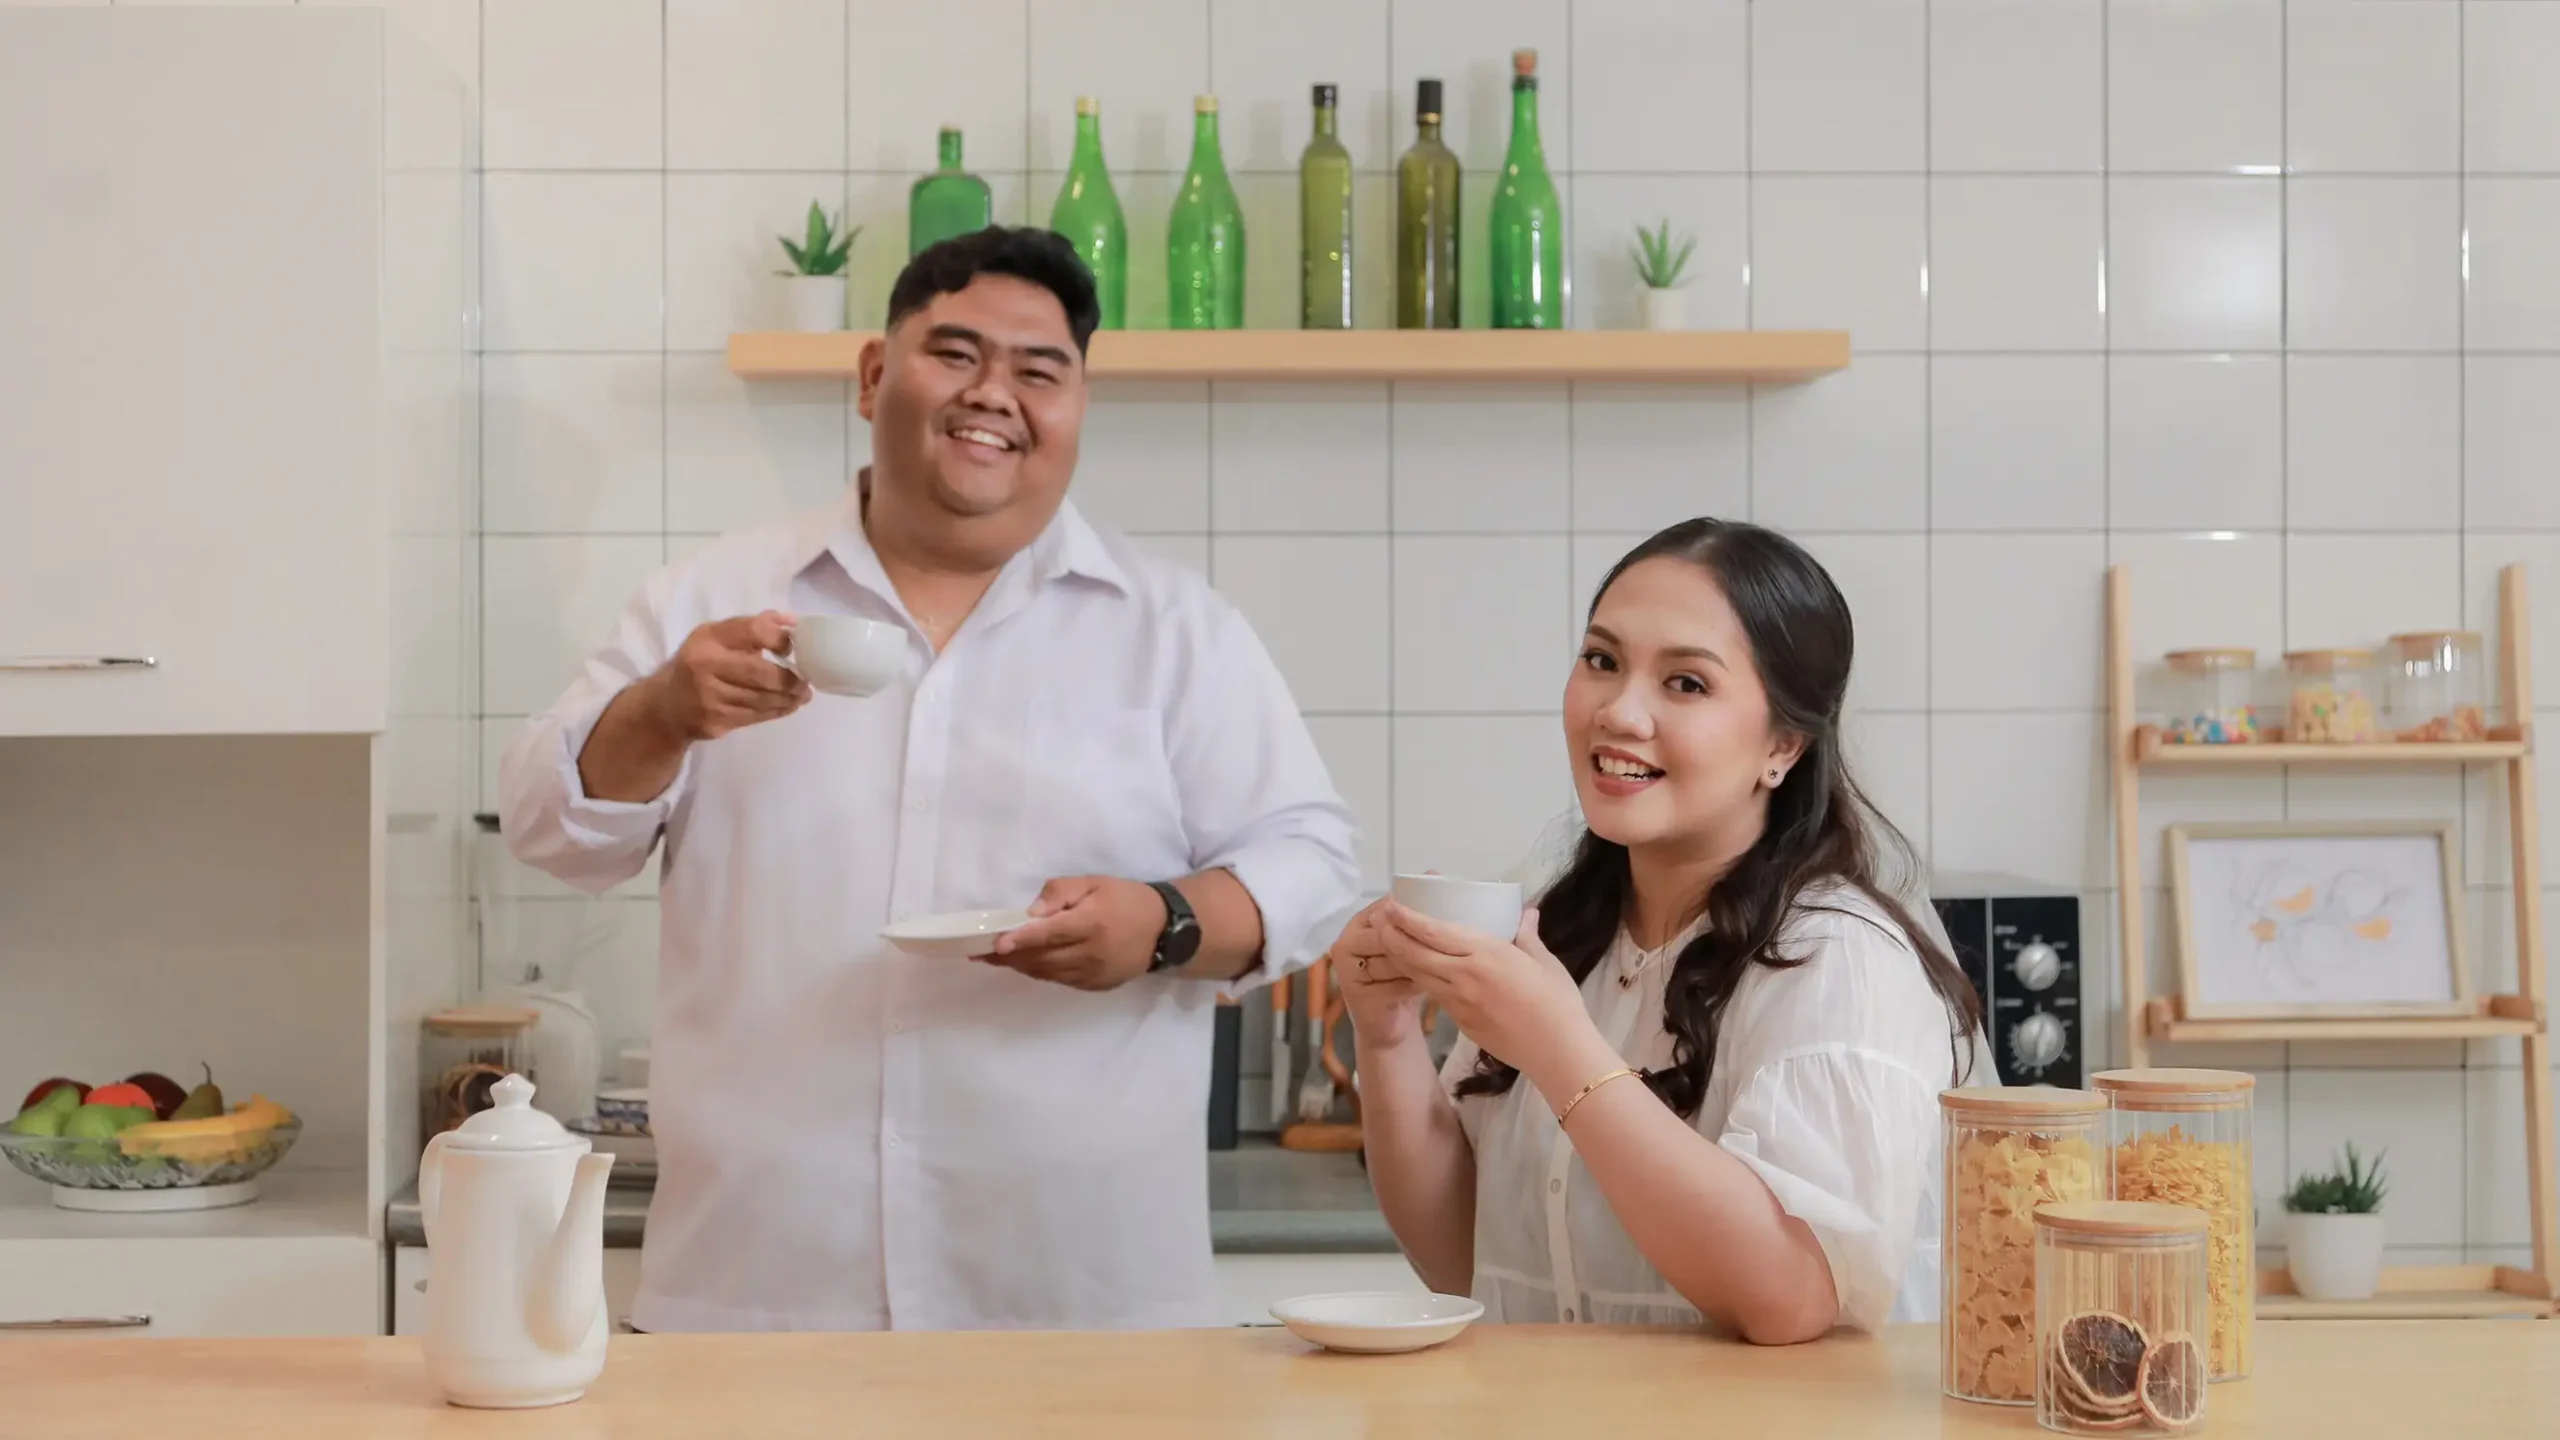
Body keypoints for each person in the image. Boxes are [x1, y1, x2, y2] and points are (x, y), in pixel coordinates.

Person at [497, 226, 1360, 1333]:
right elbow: (549, 828)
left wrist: (1162, 925)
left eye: (1039, 371)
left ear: (1077, 407)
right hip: (758, 1296)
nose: (993, 393)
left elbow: (1312, 867)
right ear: (873, 377)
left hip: (1082, 1310)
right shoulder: (712, 600)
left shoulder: (1174, 630)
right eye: (955, 354)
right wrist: (661, 711)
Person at [1335, 518, 1989, 1344]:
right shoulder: (1564, 932)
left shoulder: (1842, 962)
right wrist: (1386, 1035)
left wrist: (1558, 1048)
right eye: (1601, 661)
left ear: (1784, 744)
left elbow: (1790, 1298)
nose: (1619, 711)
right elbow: (1466, 1258)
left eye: (1686, 683)